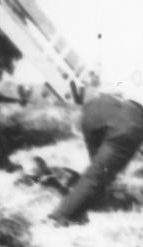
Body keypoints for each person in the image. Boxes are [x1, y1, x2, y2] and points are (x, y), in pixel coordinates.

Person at [48, 68, 143, 226]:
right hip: (130, 120)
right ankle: (59, 217)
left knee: (97, 172)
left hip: (98, 108)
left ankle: (81, 207)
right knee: (97, 176)